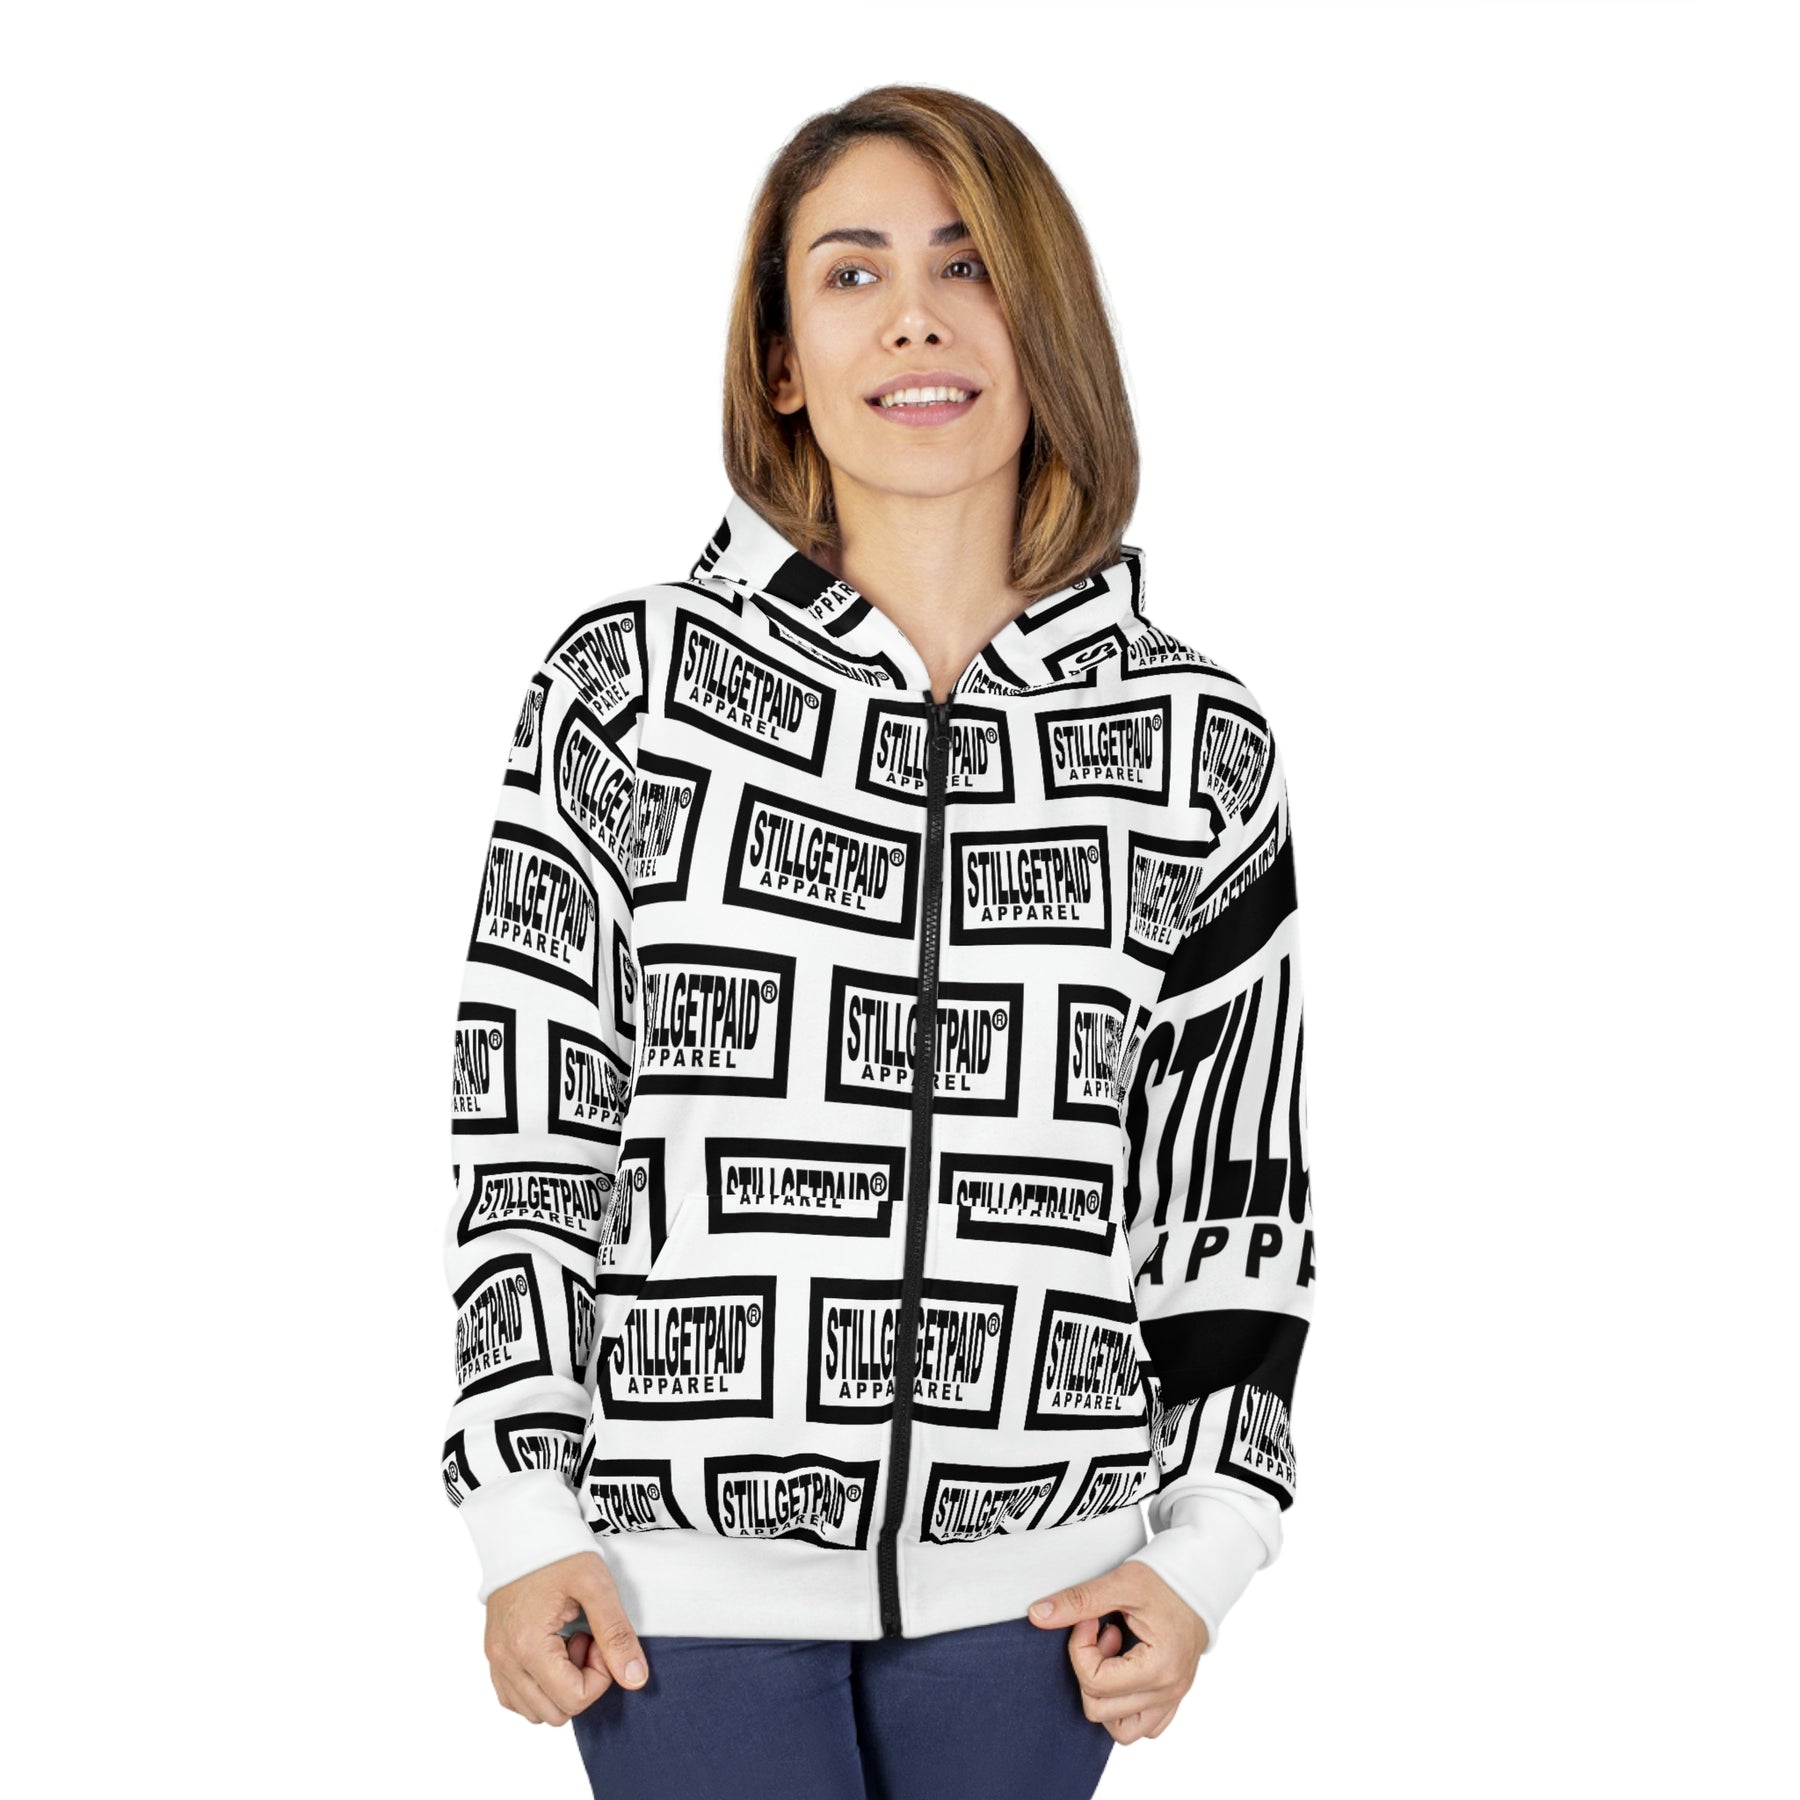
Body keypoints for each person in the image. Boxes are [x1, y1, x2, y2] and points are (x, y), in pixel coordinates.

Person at [441, 84, 1316, 1800]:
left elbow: (1230, 1185)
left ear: (1044, 321)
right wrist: (520, 1513)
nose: (915, 317)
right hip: (670, 1594)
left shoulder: (1195, 743)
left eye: (968, 265)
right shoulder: (628, 692)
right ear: (781, 360)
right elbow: (527, 1132)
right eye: (851, 274)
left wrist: (1208, 1545)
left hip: (1046, 1598)